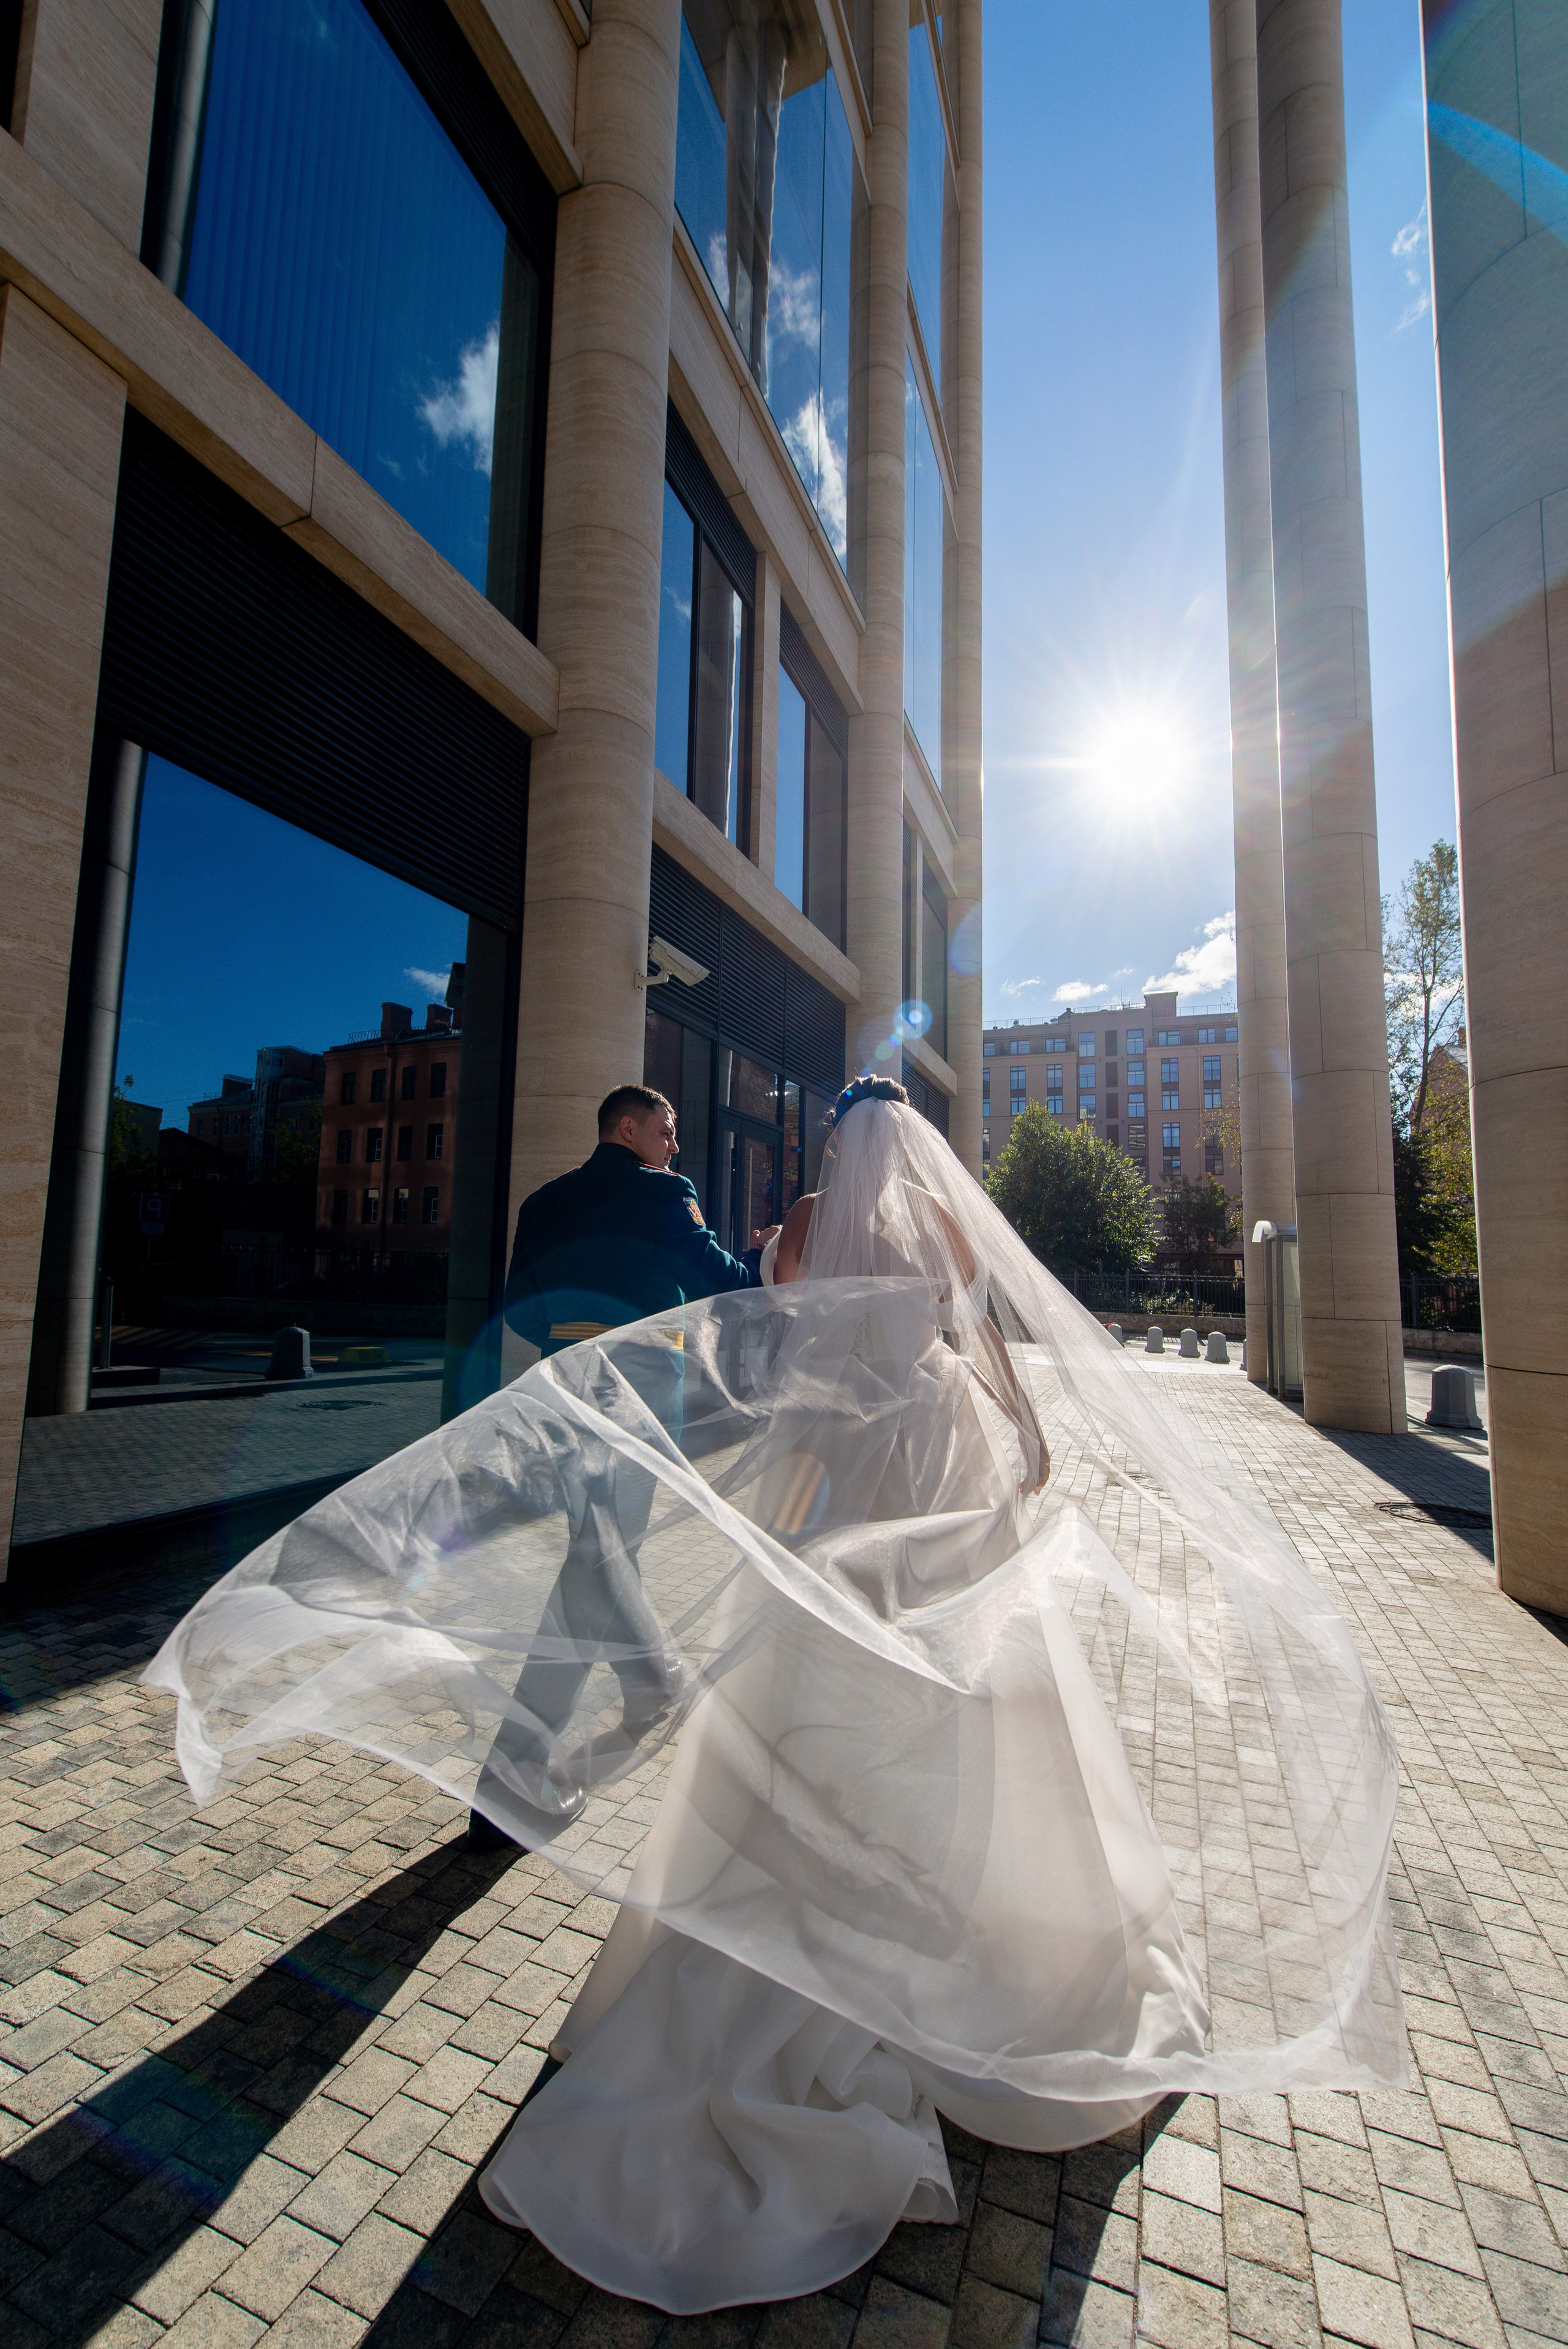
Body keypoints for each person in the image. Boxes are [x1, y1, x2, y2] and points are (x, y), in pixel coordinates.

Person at [146, 1076, 1405, 2314]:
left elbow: (767, 1338)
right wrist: (1019, 1431)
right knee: (973, 1686)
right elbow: (975, 1335)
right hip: (940, 1445)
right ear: (911, 1147)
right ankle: (983, 1951)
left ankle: (719, 1883)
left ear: (832, 1146)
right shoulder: (949, 1225)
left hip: (838, 1453)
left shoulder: (788, 1224)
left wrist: (771, 1476)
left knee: (809, 1689)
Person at [467, 1084, 767, 1849]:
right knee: (590, 1571)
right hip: (637, 1396)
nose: (674, 1144)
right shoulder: (664, 1193)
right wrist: (772, 1255)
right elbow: (719, 1281)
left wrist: (580, 1339)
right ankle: (506, 1778)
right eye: (666, 1129)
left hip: (566, 1390)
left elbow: (523, 1309)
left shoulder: (543, 1202)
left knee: (603, 1552)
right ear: (627, 1128)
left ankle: (646, 1679)